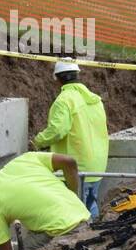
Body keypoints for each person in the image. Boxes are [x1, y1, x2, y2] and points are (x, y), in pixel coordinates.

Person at [0, 152, 91, 250]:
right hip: (84, 217)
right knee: (33, 233)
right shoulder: (26, 159)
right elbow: (69, 161)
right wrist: (73, 196)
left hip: (59, 230)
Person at [32, 60, 109, 217]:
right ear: (77, 75)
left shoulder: (64, 100)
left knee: (75, 211)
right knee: (90, 204)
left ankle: (81, 239)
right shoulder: (95, 99)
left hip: (77, 166)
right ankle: (93, 237)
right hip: (97, 164)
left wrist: (37, 141)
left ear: (58, 79)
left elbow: (57, 130)